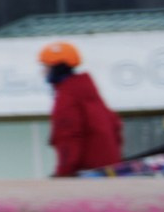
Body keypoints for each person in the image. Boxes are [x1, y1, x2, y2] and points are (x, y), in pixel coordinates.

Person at [43, 42, 124, 176]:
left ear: (56, 69)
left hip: (87, 175)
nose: (43, 72)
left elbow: (68, 139)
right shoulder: (88, 92)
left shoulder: (67, 97)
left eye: (46, 67)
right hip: (109, 171)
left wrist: (62, 173)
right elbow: (115, 126)